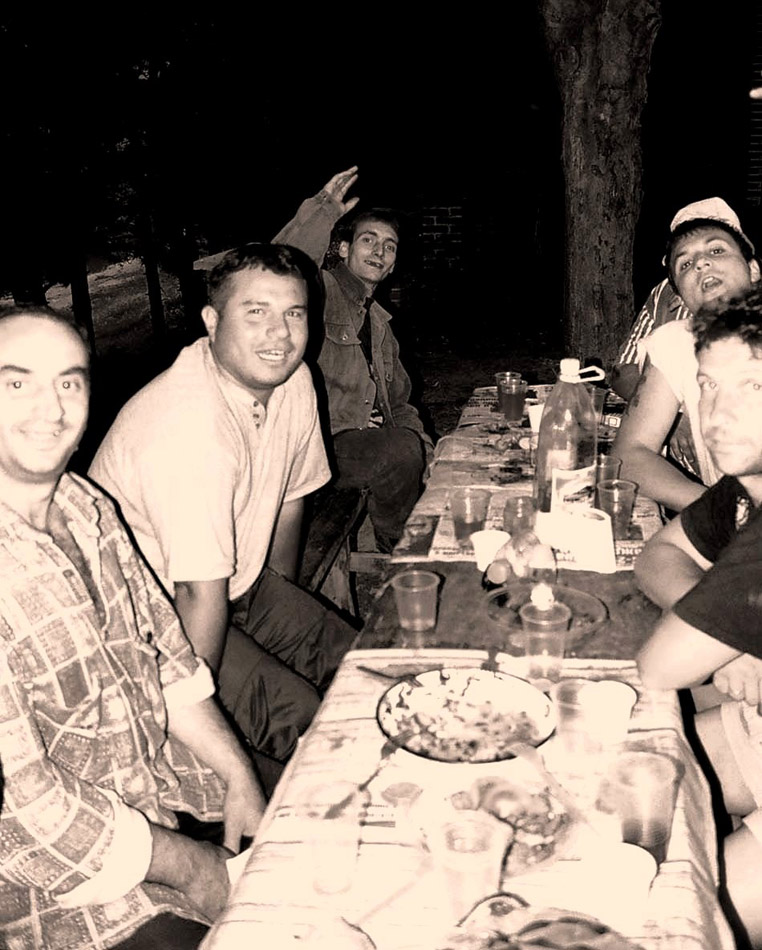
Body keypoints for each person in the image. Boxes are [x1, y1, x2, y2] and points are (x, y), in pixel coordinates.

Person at [0, 304, 265, 950]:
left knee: (337, 823)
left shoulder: (86, 505)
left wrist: (238, 776)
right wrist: (197, 868)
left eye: (69, 381)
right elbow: (26, 808)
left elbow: (170, 662)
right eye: (16, 381)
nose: (51, 408)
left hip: (164, 797)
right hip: (60, 892)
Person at [89, 244, 358, 791]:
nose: (279, 333)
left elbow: (289, 500)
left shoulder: (293, 381)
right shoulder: (189, 426)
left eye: (294, 313)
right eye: (255, 312)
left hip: (236, 583)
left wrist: (282, 602)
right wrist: (199, 720)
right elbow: (194, 593)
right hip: (150, 620)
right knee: (299, 718)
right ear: (211, 321)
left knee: (363, 664)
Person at [197, 168, 433, 553]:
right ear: (343, 249)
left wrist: (428, 449)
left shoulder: (380, 326)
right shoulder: (320, 292)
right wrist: (323, 213)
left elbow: (400, 402)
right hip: (318, 446)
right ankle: (398, 547)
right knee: (400, 451)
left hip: (365, 444)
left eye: (389, 247)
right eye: (369, 240)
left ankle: (400, 531)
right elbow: (278, 269)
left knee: (412, 448)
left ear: (393, 264)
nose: (379, 251)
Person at [635, 288, 762, 948]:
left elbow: (661, 664)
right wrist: (732, 638)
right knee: (615, 783)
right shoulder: (743, 489)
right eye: (709, 385)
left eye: (754, 386)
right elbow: (657, 555)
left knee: (667, 918)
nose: (719, 412)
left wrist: (717, 635)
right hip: (756, 729)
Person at [612, 197, 760, 512]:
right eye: (685, 263)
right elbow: (629, 455)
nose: (701, 263)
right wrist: (717, 515)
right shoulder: (675, 344)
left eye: (716, 250)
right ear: (677, 295)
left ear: (753, 269)